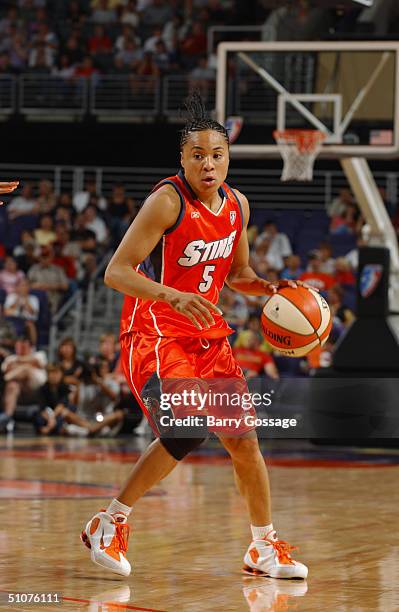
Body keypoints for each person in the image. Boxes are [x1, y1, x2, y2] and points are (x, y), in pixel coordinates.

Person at [81, 92, 309, 580]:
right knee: (185, 429)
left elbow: (238, 273)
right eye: (198, 155)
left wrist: (270, 289)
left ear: (228, 159)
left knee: (244, 441)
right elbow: (116, 272)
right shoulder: (166, 202)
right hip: (157, 333)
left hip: (210, 338)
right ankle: (110, 521)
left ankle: (262, 549)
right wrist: (171, 296)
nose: (208, 163)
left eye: (217, 155)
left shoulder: (237, 205)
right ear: (182, 159)